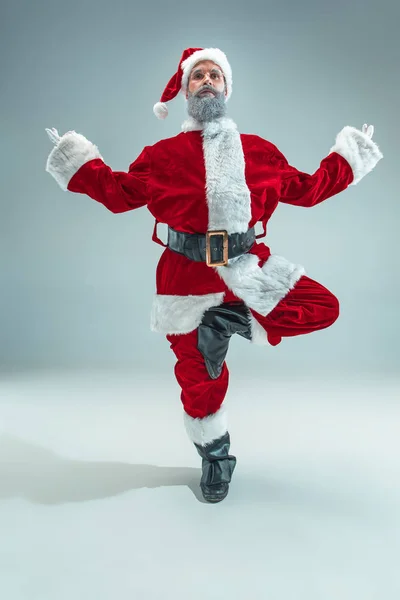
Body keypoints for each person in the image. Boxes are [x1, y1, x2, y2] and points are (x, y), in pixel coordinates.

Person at [45, 46, 383, 503]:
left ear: (226, 88)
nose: (206, 80)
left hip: (247, 267)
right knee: (198, 379)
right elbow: (119, 193)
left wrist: (350, 157)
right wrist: (77, 160)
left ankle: (231, 319)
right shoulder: (162, 155)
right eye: (197, 75)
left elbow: (307, 189)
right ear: (186, 90)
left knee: (322, 306)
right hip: (185, 282)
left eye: (214, 75)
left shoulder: (258, 151)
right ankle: (216, 458)